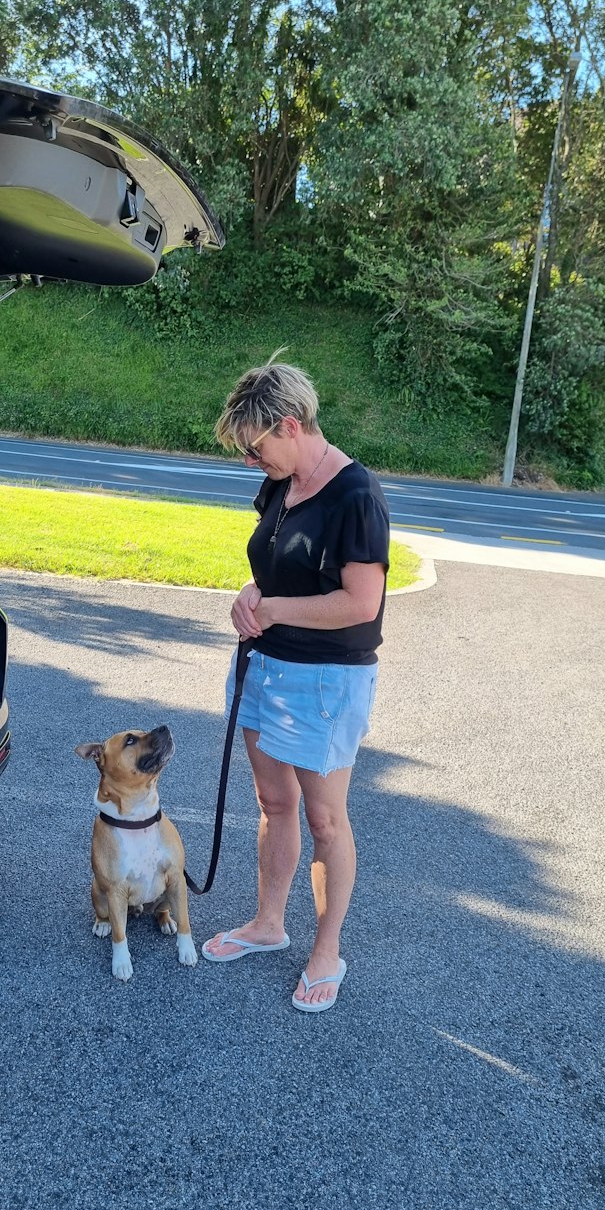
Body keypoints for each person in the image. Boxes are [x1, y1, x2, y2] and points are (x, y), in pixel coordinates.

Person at [201, 353, 390, 1013]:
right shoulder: (282, 484)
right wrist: (252, 595)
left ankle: (326, 949)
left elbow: (361, 602)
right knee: (274, 804)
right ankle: (268, 923)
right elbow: (275, 567)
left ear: (289, 425)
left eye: (257, 449)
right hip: (264, 667)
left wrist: (276, 609)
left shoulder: (354, 495)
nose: (254, 464)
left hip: (326, 682)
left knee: (325, 820)